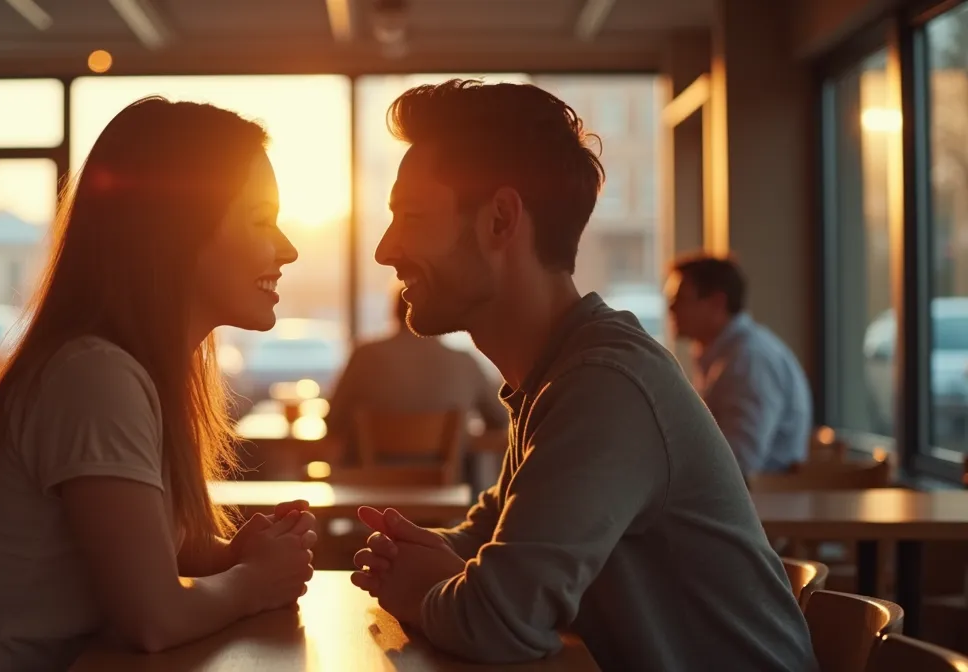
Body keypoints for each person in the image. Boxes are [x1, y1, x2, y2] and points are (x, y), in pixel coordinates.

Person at [349, 80, 815, 671]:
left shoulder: (603, 384)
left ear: (500, 221)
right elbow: (487, 544)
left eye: (411, 216)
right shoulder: (555, 373)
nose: (386, 250)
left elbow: (498, 621)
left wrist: (419, 588)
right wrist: (413, 555)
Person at [0, 98, 316, 672]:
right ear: (178, 230)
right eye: (261, 219)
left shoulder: (135, 370)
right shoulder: (94, 375)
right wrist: (252, 582)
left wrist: (231, 558)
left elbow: (147, 567)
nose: (288, 247)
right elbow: (153, 620)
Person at [326, 287, 507, 475]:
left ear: (394, 311)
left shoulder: (364, 356)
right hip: (445, 491)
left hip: (370, 491)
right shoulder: (464, 361)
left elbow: (333, 421)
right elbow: (499, 418)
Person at [666, 254, 813, 478]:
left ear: (717, 302)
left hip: (765, 503)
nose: (671, 308)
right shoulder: (729, 355)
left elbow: (739, 460)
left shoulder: (749, 361)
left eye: (680, 298)